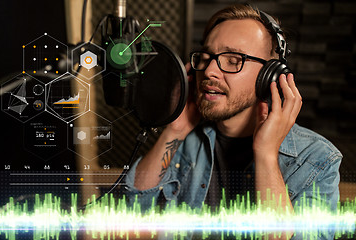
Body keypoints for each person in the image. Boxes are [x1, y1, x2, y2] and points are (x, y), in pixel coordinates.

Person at [124, 3, 342, 240]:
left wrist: (266, 154)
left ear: (269, 75)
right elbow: (133, 213)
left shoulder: (318, 159)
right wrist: (174, 130)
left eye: (233, 59)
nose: (209, 71)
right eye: (206, 57)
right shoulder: (185, 140)